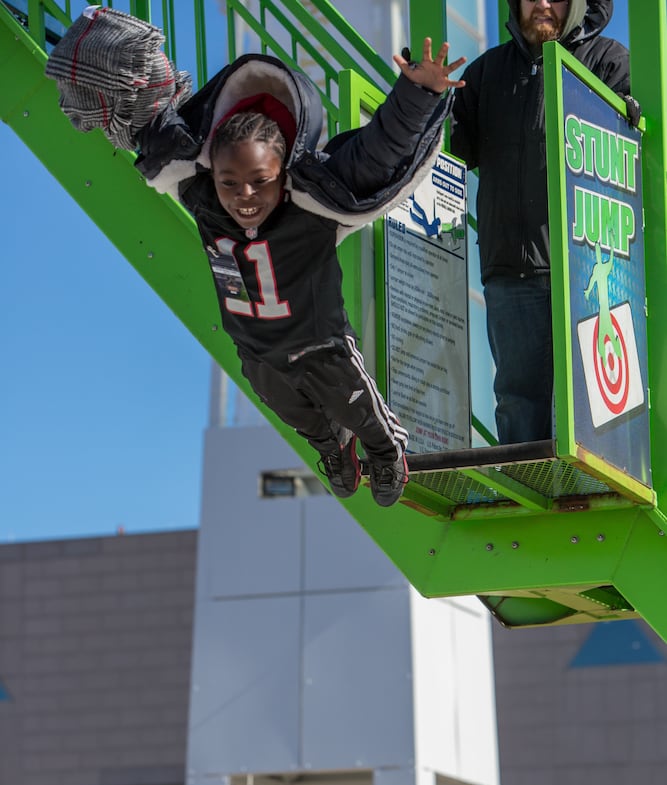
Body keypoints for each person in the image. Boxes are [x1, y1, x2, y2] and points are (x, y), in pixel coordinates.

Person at [45, 9, 465, 506]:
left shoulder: (309, 205)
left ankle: (384, 448)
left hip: (320, 342)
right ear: (211, 175)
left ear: (283, 173)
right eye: (229, 183)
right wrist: (99, 56)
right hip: (256, 347)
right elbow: (150, 123)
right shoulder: (200, 196)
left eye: (260, 182)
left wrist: (418, 95)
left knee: (353, 403)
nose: (244, 196)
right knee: (293, 410)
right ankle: (332, 449)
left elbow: (376, 154)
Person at [446, 0, 637, 445]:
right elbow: (450, 149)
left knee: (596, 411)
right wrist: (423, 99)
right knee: (517, 403)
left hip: (592, 271)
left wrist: (627, 114)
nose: (543, 5)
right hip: (509, 271)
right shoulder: (486, 73)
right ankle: (530, 505)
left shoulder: (608, 60)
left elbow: (634, 141)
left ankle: (586, 504)